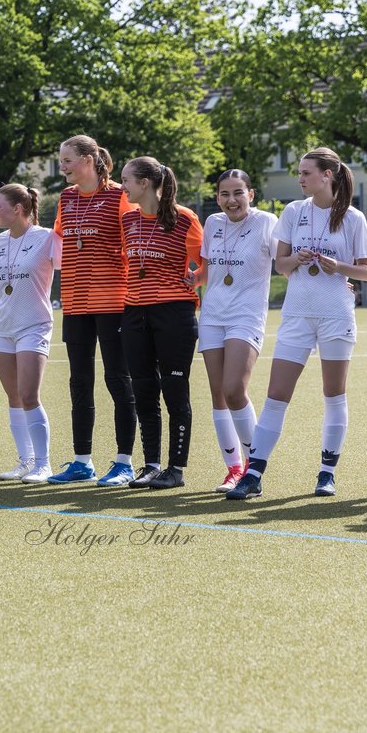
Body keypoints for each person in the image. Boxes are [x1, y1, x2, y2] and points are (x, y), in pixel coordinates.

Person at [227, 147, 367, 499]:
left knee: (334, 394)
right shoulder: (293, 211)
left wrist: (337, 266)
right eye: (299, 172)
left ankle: (327, 473)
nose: (300, 178)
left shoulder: (353, 218)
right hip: (297, 316)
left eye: (306, 172)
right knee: (277, 395)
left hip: (337, 315)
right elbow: (280, 265)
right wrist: (296, 258)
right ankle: (254, 473)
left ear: (328, 175)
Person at [49, 134, 137, 485]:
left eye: (67, 159)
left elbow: (136, 238)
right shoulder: (66, 198)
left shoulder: (120, 195)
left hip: (114, 303)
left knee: (118, 379)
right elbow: (59, 240)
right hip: (75, 302)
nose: (63, 166)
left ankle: (124, 463)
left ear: (88, 159)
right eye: (61, 160)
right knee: (79, 381)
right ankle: (82, 461)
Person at [118, 157, 203, 488]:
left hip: (175, 314)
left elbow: (206, 262)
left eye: (125, 180)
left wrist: (194, 280)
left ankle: (175, 469)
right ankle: (151, 465)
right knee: (143, 391)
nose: (122, 186)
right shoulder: (128, 220)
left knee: (174, 392)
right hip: (134, 313)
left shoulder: (184, 218)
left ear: (144, 183)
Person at [198, 170, 278, 492]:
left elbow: (285, 261)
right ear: (217, 197)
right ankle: (234, 469)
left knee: (234, 390)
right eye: (225, 194)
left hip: (246, 315)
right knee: (218, 395)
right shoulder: (212, 224)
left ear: (251, 194)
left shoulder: (267, 222)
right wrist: (196, 279)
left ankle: (252, 471)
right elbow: (209, 271)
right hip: (212, 314)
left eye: (238, 193)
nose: (231, 200)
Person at [0, 184, 60, 484]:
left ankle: (44, 464)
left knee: (30, 395)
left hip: (34, 325)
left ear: (18, 209)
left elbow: (68, 270)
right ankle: (25, 460)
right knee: (14, 396)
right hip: (3, 328)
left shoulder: (46, 238)